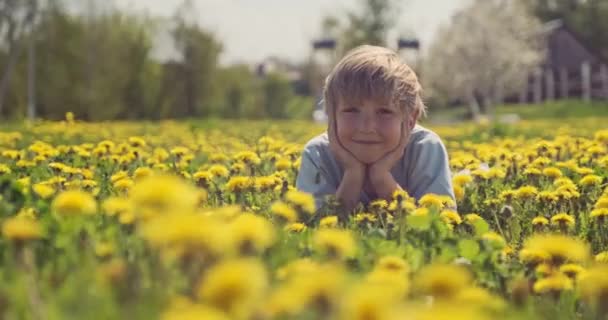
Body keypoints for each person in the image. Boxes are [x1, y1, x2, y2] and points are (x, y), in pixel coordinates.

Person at [296, 45, 455, 212]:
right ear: (331, 115)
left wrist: (382, 178)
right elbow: (315, 229)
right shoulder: (317, 154)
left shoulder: (426, 148)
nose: (367, 127)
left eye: (384, 112)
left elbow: (437, 227)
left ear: (410, 119)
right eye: (351, 110)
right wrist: (353, 175)